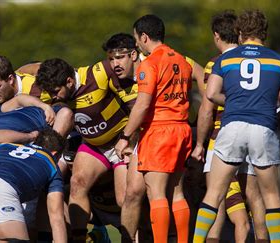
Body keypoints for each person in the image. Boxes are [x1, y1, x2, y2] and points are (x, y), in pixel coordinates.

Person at [193, 10, 280, 243]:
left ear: (240, 33)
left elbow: (211, 94)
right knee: (270, 195)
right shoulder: (279, 60)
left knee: (214, 193)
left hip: (232, 127)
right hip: (263, 127)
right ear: (265, 33)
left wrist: (233, 101)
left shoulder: (225, 59)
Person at [35, 34, 138, 241]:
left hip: (120, 142)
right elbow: (25, 81)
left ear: (70, 81)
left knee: (124, 198)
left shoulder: (97, 73)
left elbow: (129, 69)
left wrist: (129, 138)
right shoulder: (53, 91)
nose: (53, 97)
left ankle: (138, 236)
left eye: (56, 92)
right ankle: (81, 239)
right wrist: (42, 105)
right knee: (77, 183)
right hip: (93, 146)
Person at [115, 14, 193, 243]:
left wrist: (125, 136)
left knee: (156, 193)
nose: (136, 44)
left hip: (160, 131)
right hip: (182, 129)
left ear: (144, 36)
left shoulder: (149, 64)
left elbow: (142, 105)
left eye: (136, 39)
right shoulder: (182, 60)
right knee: (177, 192)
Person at [190, 10, 253, 242]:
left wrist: (199, 144)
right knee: (254, 202)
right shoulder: (257, 60)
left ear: (217, 35)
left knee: (214, 198)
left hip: (222, 137)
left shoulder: (216, 64)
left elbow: (207, 109)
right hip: (254, 137)